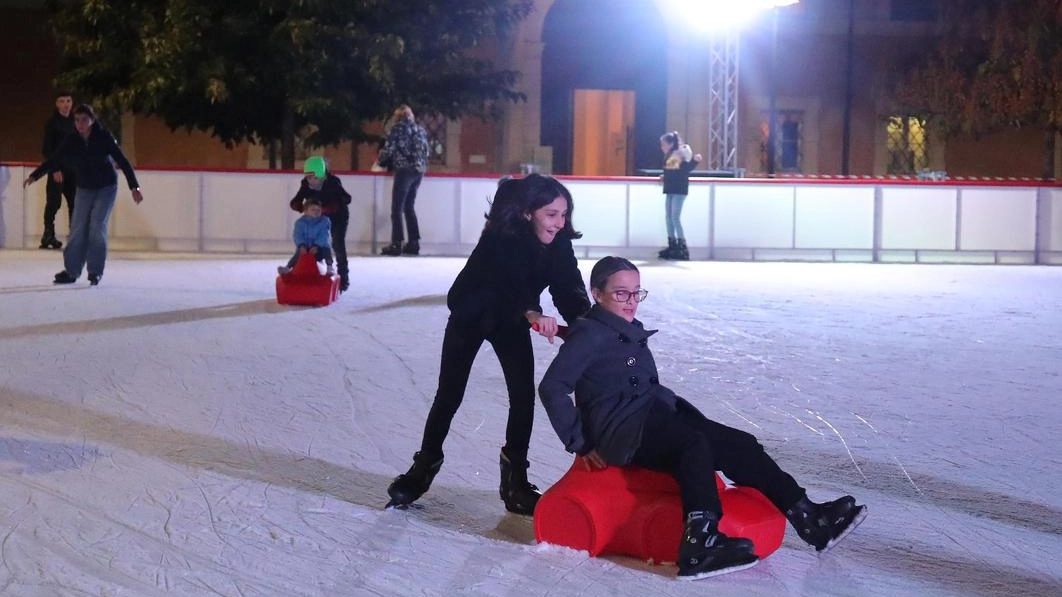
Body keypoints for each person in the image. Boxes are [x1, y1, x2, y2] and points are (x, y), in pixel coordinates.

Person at [538, 257, 867, 580]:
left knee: (738, 443)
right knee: (692, 444)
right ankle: (700, 542)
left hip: (652, 415)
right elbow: (553, 387)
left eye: (637, 292)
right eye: (621, 293)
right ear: (597, 293)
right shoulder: (590, 334)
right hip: (624, 430)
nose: (631, 302)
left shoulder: (622, 328)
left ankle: (809, 518)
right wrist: (579, 442)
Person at [387, 173, 592, 515]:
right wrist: (531, 312)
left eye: (564, 214)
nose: (560, 223)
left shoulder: (558, 243)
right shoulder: (502, 236)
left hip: (510, 321)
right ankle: (422, 469)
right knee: (449, 394)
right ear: (529, 213)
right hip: (473, 312)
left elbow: (568, 286)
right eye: (552, 214)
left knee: (523, 395)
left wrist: (587, 325)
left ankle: (515, 482)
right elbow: (504, 281)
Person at [24, 104, 143, 286]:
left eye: (84, 120)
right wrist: (35, 175)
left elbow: (122, 161)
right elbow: (55, 158)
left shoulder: (103, 137)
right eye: (77, 120)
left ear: (92, 121)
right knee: (77, 229)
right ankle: (71, 271)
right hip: (84, 188)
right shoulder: (72, 139)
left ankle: (95, 271)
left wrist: (134, 187)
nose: (80, 124)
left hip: (106, 187)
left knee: (97, 226)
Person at [289, 156, 351, 291]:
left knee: (337, 243)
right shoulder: (305, 184)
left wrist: (330, 207)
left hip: (338, 216)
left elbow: (347, 198)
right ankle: (309, 273)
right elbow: (296, 199)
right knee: (312, 245)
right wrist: (299, 205)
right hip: (318, 219)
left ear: (322, 175)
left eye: (314, 177)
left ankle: (343, 278)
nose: (311, 181)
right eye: (308, 177)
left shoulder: (333, 183)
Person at [377, 104, 429, 256]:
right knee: (409, 206)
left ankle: (396, 243)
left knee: (397, 208)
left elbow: (389, 149)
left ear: (398, 118)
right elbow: (426, 151)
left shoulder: (397, 130)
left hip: (404, 170)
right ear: (411, 116)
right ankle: (414, 243)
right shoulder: (421, 130)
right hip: (418, 171)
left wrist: (380, 161)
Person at [39, 90, 78, 250]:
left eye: (68, 101)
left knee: (75, 203)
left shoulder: (77, 122)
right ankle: (48, 234)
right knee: (54, 202)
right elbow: (47, 149)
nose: (65, 104)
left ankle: (75, 235)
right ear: (56, 104)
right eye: (62, 101)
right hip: (57, 169)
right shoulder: (52, 123)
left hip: (74, 171)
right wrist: (54, 169)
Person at [657, 132, 701, 261]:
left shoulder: (679, 153)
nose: (662, 147)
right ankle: (672, 245)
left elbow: (683, 169)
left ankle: (682, 247)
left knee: (675, 217)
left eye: (663, 144)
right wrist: (664, 175)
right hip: (671, 188)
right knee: (669, 217)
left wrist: (695, 161)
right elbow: (672, 169)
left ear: (670, 144)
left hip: (679, 189)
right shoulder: (671, 154)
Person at [278, 196, 334, 276]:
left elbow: (324, 235)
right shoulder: (300, 223)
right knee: (298, 253)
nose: (316, 212)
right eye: (313, 210)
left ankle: (329, 267)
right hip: (306, 247)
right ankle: (288, 267)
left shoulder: (324, 221)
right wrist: (301, 245)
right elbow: (297, 235)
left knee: (326, 249)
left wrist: (317, 246)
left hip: (319, 248)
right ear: (306, 211)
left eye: (318, 210)